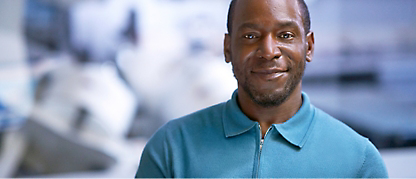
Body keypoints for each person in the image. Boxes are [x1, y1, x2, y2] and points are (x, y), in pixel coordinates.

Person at [135, 0, 389, 177]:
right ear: (227, 48)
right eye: (250, 36)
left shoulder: (359, 160)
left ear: (309, 47)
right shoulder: (170, 148)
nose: (269, 51)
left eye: (286, 35)